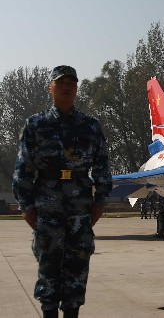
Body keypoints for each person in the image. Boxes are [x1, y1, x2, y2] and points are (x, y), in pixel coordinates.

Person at [12, 65, 112, 318]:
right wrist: (26, 206)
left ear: (76, 88)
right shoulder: (35, 125)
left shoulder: (90, 126)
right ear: (51, 87)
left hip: (80, 205)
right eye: (61, 82)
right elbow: (23, 168)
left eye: (72, 83)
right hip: (47, 203)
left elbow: (102, 166)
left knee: (78, 266)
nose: (67, 87)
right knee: (48, 265)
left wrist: (99, 201)